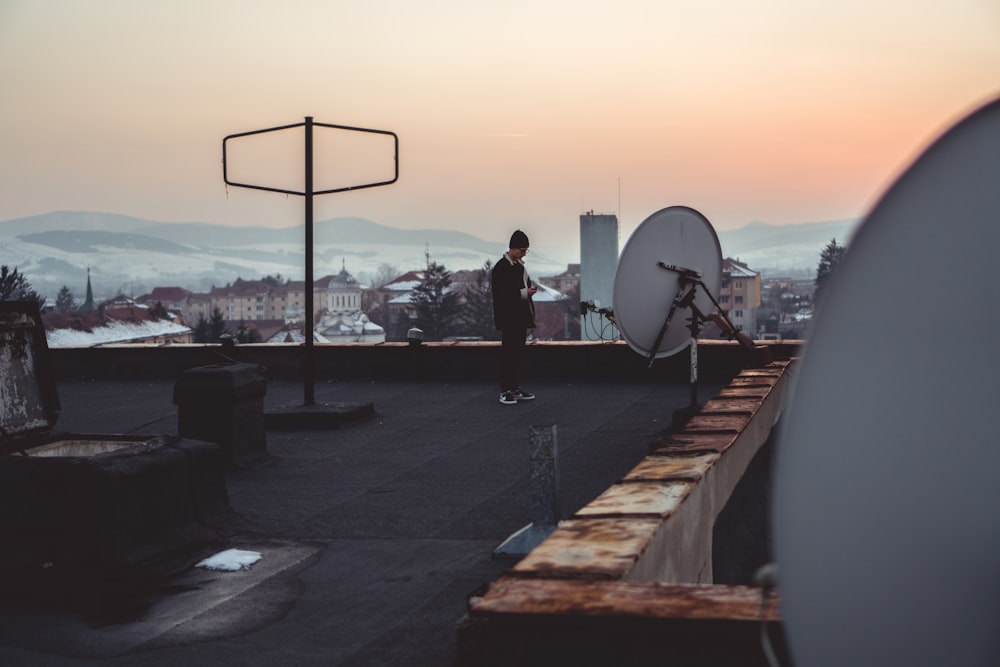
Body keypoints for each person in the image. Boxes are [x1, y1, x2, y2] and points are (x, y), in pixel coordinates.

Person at [491, 230, 537, 405]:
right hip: (509, 318)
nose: (524, 253)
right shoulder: (502, 267)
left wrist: (526, 292)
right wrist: (525, 293)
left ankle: (513, 388)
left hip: (519, 317)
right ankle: (505, 390)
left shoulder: (518, 266)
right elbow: (502, 294)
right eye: (522, 250)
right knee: (508, 353)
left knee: (516, 354)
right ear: (513, 248)